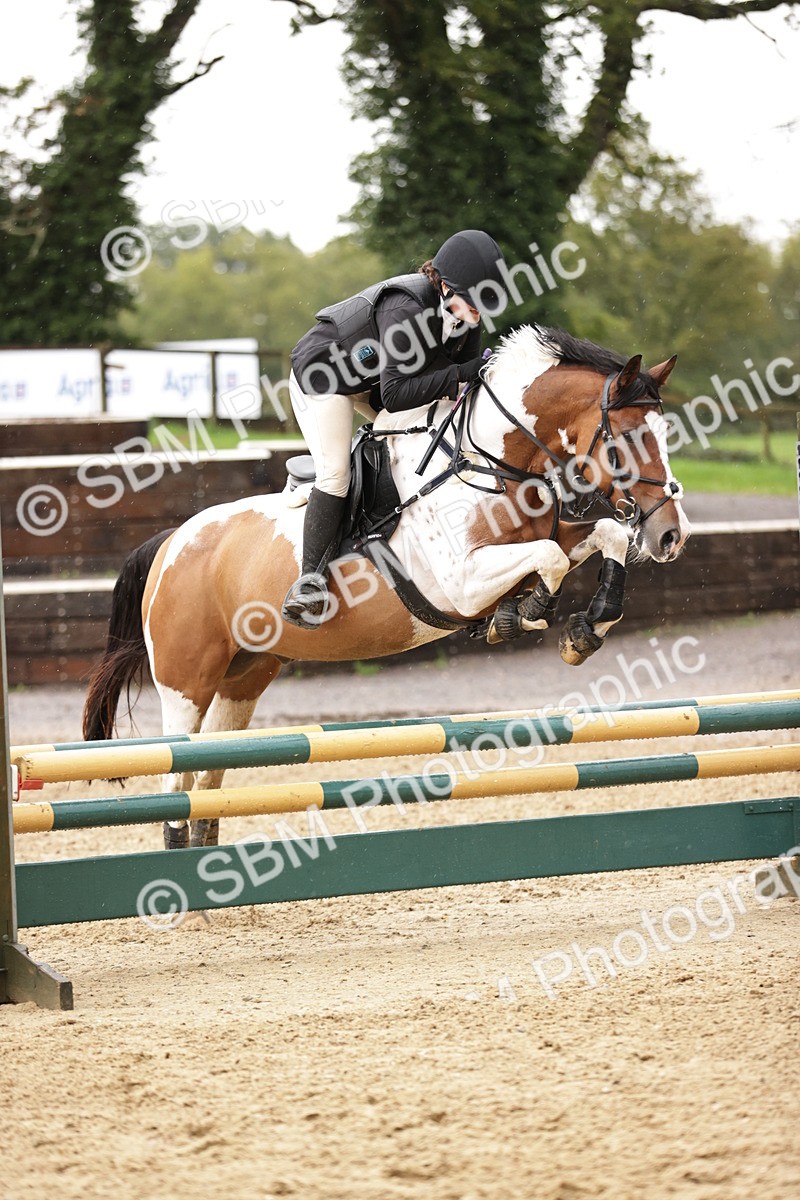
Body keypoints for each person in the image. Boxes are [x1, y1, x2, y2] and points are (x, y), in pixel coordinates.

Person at [281, 228, 508, 629]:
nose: (480, 313)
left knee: (429, 444)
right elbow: (399, 393)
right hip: (325, 377)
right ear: (447, 286)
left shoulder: (464, 319)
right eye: (475, 302)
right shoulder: (404, 307)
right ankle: (309, 581)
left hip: (375, 383)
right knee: (336, 472)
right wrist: (462, 373)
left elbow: (451, 397)